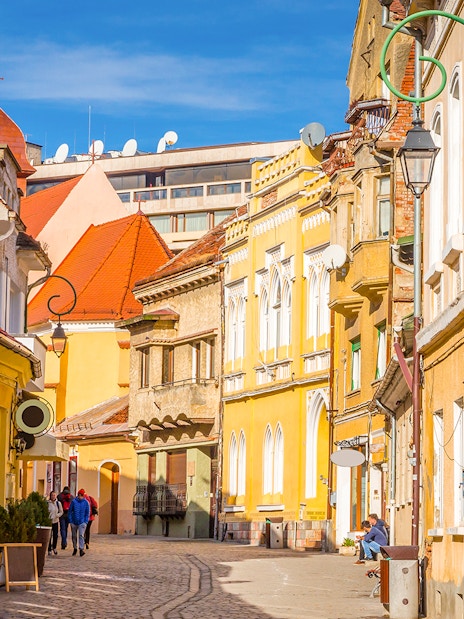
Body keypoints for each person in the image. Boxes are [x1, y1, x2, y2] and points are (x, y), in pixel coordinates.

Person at [68, 488, 90, 557]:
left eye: (81, 495)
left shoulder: (86, 503)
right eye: (79, 495)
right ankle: (75, 547)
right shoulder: (74, 502)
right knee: (74, 536)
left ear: (83, 496)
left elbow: (87, 513)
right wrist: (71, 521)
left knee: (81, 535)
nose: (80, 497)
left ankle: (81, 549)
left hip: (82, 522)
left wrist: (85, 521)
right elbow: (70, 511)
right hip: (74, 522)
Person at [57, 486, 74, 550]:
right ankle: (64, 541)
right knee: (66, 528)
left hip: (62, 514)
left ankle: (64, 542)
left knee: (62, 529)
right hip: (68, 514)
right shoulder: (72, 497)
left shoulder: (59, 496)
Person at [47, 491, 63, 555]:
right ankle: (49, 549)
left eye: (54, 495)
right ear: (50, 496)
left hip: (55, 521)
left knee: (55, 535)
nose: (53, 496)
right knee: (49, 536)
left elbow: (61, 512)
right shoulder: (47, 503)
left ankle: (54, 547)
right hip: (49, 521)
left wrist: (57, 515)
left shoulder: (58, 503)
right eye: (52, 495)